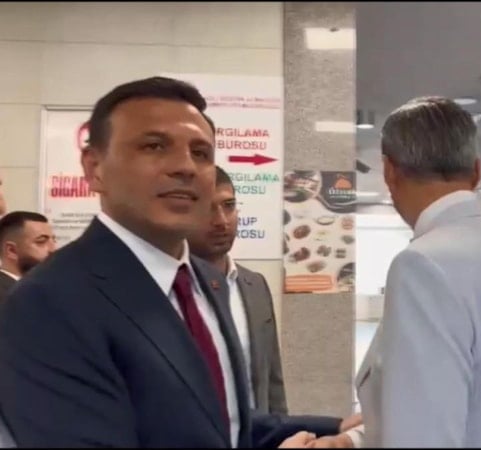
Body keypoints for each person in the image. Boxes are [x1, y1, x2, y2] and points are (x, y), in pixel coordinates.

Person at [0, 77, 357, 448]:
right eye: (154, 146)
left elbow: (219, 422)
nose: (185, 167)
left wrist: (339, 427)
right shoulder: (48, 302)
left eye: (201, 153)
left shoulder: (207, 281)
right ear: (94, 168)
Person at [318, 96, 481, 448]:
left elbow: (424, 435)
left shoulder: (422, 264)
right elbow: (470, 405)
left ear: (389, 171)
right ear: (477, 172)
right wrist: (356, 439)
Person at [188, 165, 288, 415]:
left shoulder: (255, 285)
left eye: (229, 205)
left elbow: (273, 380)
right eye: (207, 208)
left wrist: (283, 430)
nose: (221, 221)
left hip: (257, 431)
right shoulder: (170, 288)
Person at [0, 211, 56, 303]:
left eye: (54, 241)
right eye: (41, 241)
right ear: (11, 250)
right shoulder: (8, 297)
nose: (53, 250)